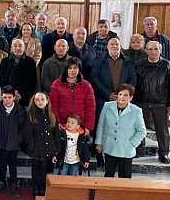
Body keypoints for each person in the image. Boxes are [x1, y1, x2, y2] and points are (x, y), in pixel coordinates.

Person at [90, 38, 136, 169]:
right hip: (103, 99)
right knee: (101, 126)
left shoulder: (128, 62)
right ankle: (99, 157)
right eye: (112, 44)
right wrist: (107, 93)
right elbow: (94, 77)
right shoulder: (99, 61)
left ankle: (117, 158)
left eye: (117, 44)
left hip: (123, 101)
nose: (114, 46)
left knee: (120, 128)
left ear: (120, 46)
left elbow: (133, 78)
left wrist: (123, 94)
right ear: (107, 47)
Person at [134, 41, 170, 164]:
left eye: (155, 49)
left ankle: (164, 153)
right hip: (142, 102)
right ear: (146, 51)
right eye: (150, 49)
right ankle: (139, 150)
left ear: (160, 50)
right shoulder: (139, 65)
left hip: (161, 104)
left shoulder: (168, 66)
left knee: (162, 130)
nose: (153, 52)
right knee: (139, 128)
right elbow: (133, 83)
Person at [95, 84, 147, 178]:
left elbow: (141, 131)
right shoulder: (107, 106)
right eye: (120, 94)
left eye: (125, 95)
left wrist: (132, 144)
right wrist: (99, 142)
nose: (122, 97)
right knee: (108, 175)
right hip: (110, 147)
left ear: (131, 98)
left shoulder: (136, 111)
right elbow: (101, 125)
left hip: (126, 149)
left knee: (125, 177)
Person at [23, 91, 61, 197]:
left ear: (47, 101)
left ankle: (42, 188)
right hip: (35, 148)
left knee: (44, 170)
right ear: (33, 101)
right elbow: (27, 134)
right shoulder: (30, 115)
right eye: (37, 100)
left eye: (42, 99)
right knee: (35, 169)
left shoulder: (51, 115)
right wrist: (31, 147)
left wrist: (56, 150)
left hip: (48, 148)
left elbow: (56, 134)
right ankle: (35, 188)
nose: (40, 102)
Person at [0, 85, 25, 197]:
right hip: (1, 142)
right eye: (5, 97)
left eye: (9, 97)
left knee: (12, 164)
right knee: (2, 163)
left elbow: (22, 127)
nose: (7, 100)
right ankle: (1, 183)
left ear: (14, 97)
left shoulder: (19, 111)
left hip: (13, 142)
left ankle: (14, 184)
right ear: (2, 97)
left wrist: (18, 139)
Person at [49, 57, 96, 134]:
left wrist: (88, 126)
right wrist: (57, 122)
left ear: (79, 69)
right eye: (70, 68)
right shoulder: (57, 84)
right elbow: (53, 105)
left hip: (80, 126)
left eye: (75, 68)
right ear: (66, 69)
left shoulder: (86, 85)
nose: (72, 70)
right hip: (62, 125)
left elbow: (90, 107)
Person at [0, 39, 37, 109]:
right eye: (15, 46)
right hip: (8, 97)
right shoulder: (5, 62)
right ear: (11, 47)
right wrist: (11, 93)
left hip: (25, 98)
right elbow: (1, 79)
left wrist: (21, 93)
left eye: (20, 46)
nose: (17, 48)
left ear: (24, 47)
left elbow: (32, 81)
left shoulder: (30, 62)